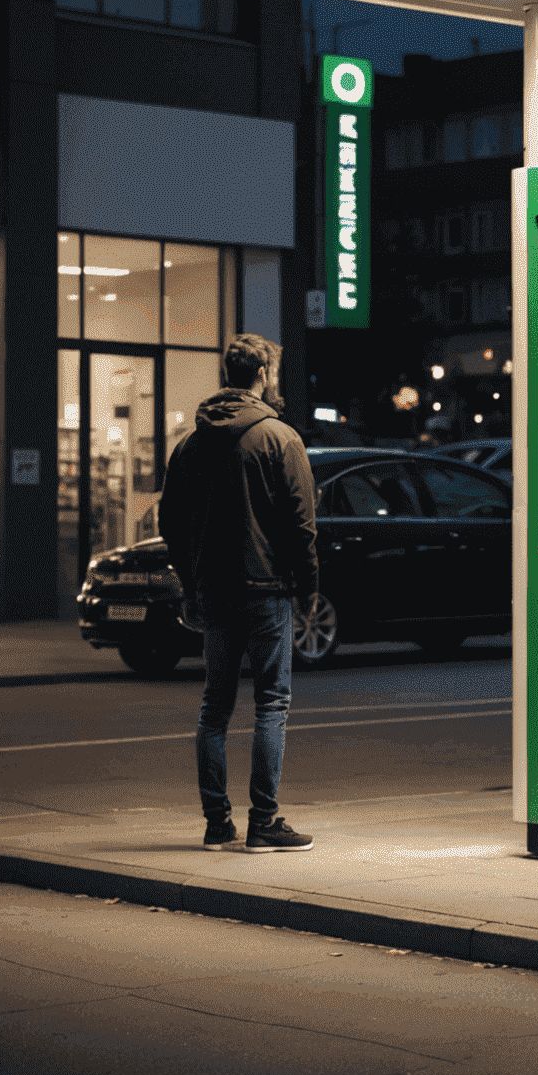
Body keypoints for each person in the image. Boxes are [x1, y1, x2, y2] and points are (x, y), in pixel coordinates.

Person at [159, 333, 319, 853]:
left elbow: (171, 523)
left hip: (215, 591)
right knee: (272, 703)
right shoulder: (279, 438)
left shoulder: (191, 443)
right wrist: (308, 588)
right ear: (264, 374)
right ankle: (264, 822)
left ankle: (216, 823)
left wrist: (191, 581)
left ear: (227, 375)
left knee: (214, 706)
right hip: (266, 589)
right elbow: (301, 526)